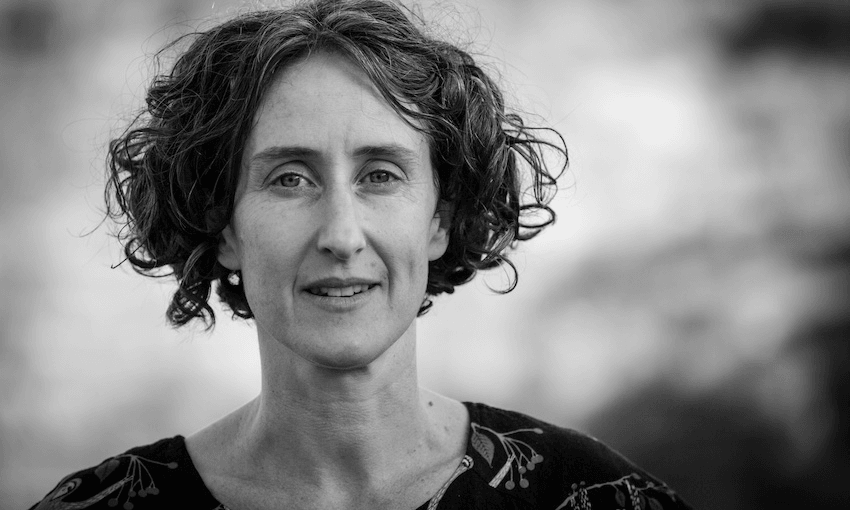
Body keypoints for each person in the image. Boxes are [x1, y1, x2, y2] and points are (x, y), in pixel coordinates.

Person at [30, 0, 693, 508]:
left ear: (441, 218)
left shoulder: (590, 496)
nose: (341, 235)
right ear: (222, 225)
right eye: (291, 178)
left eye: (380, 175)